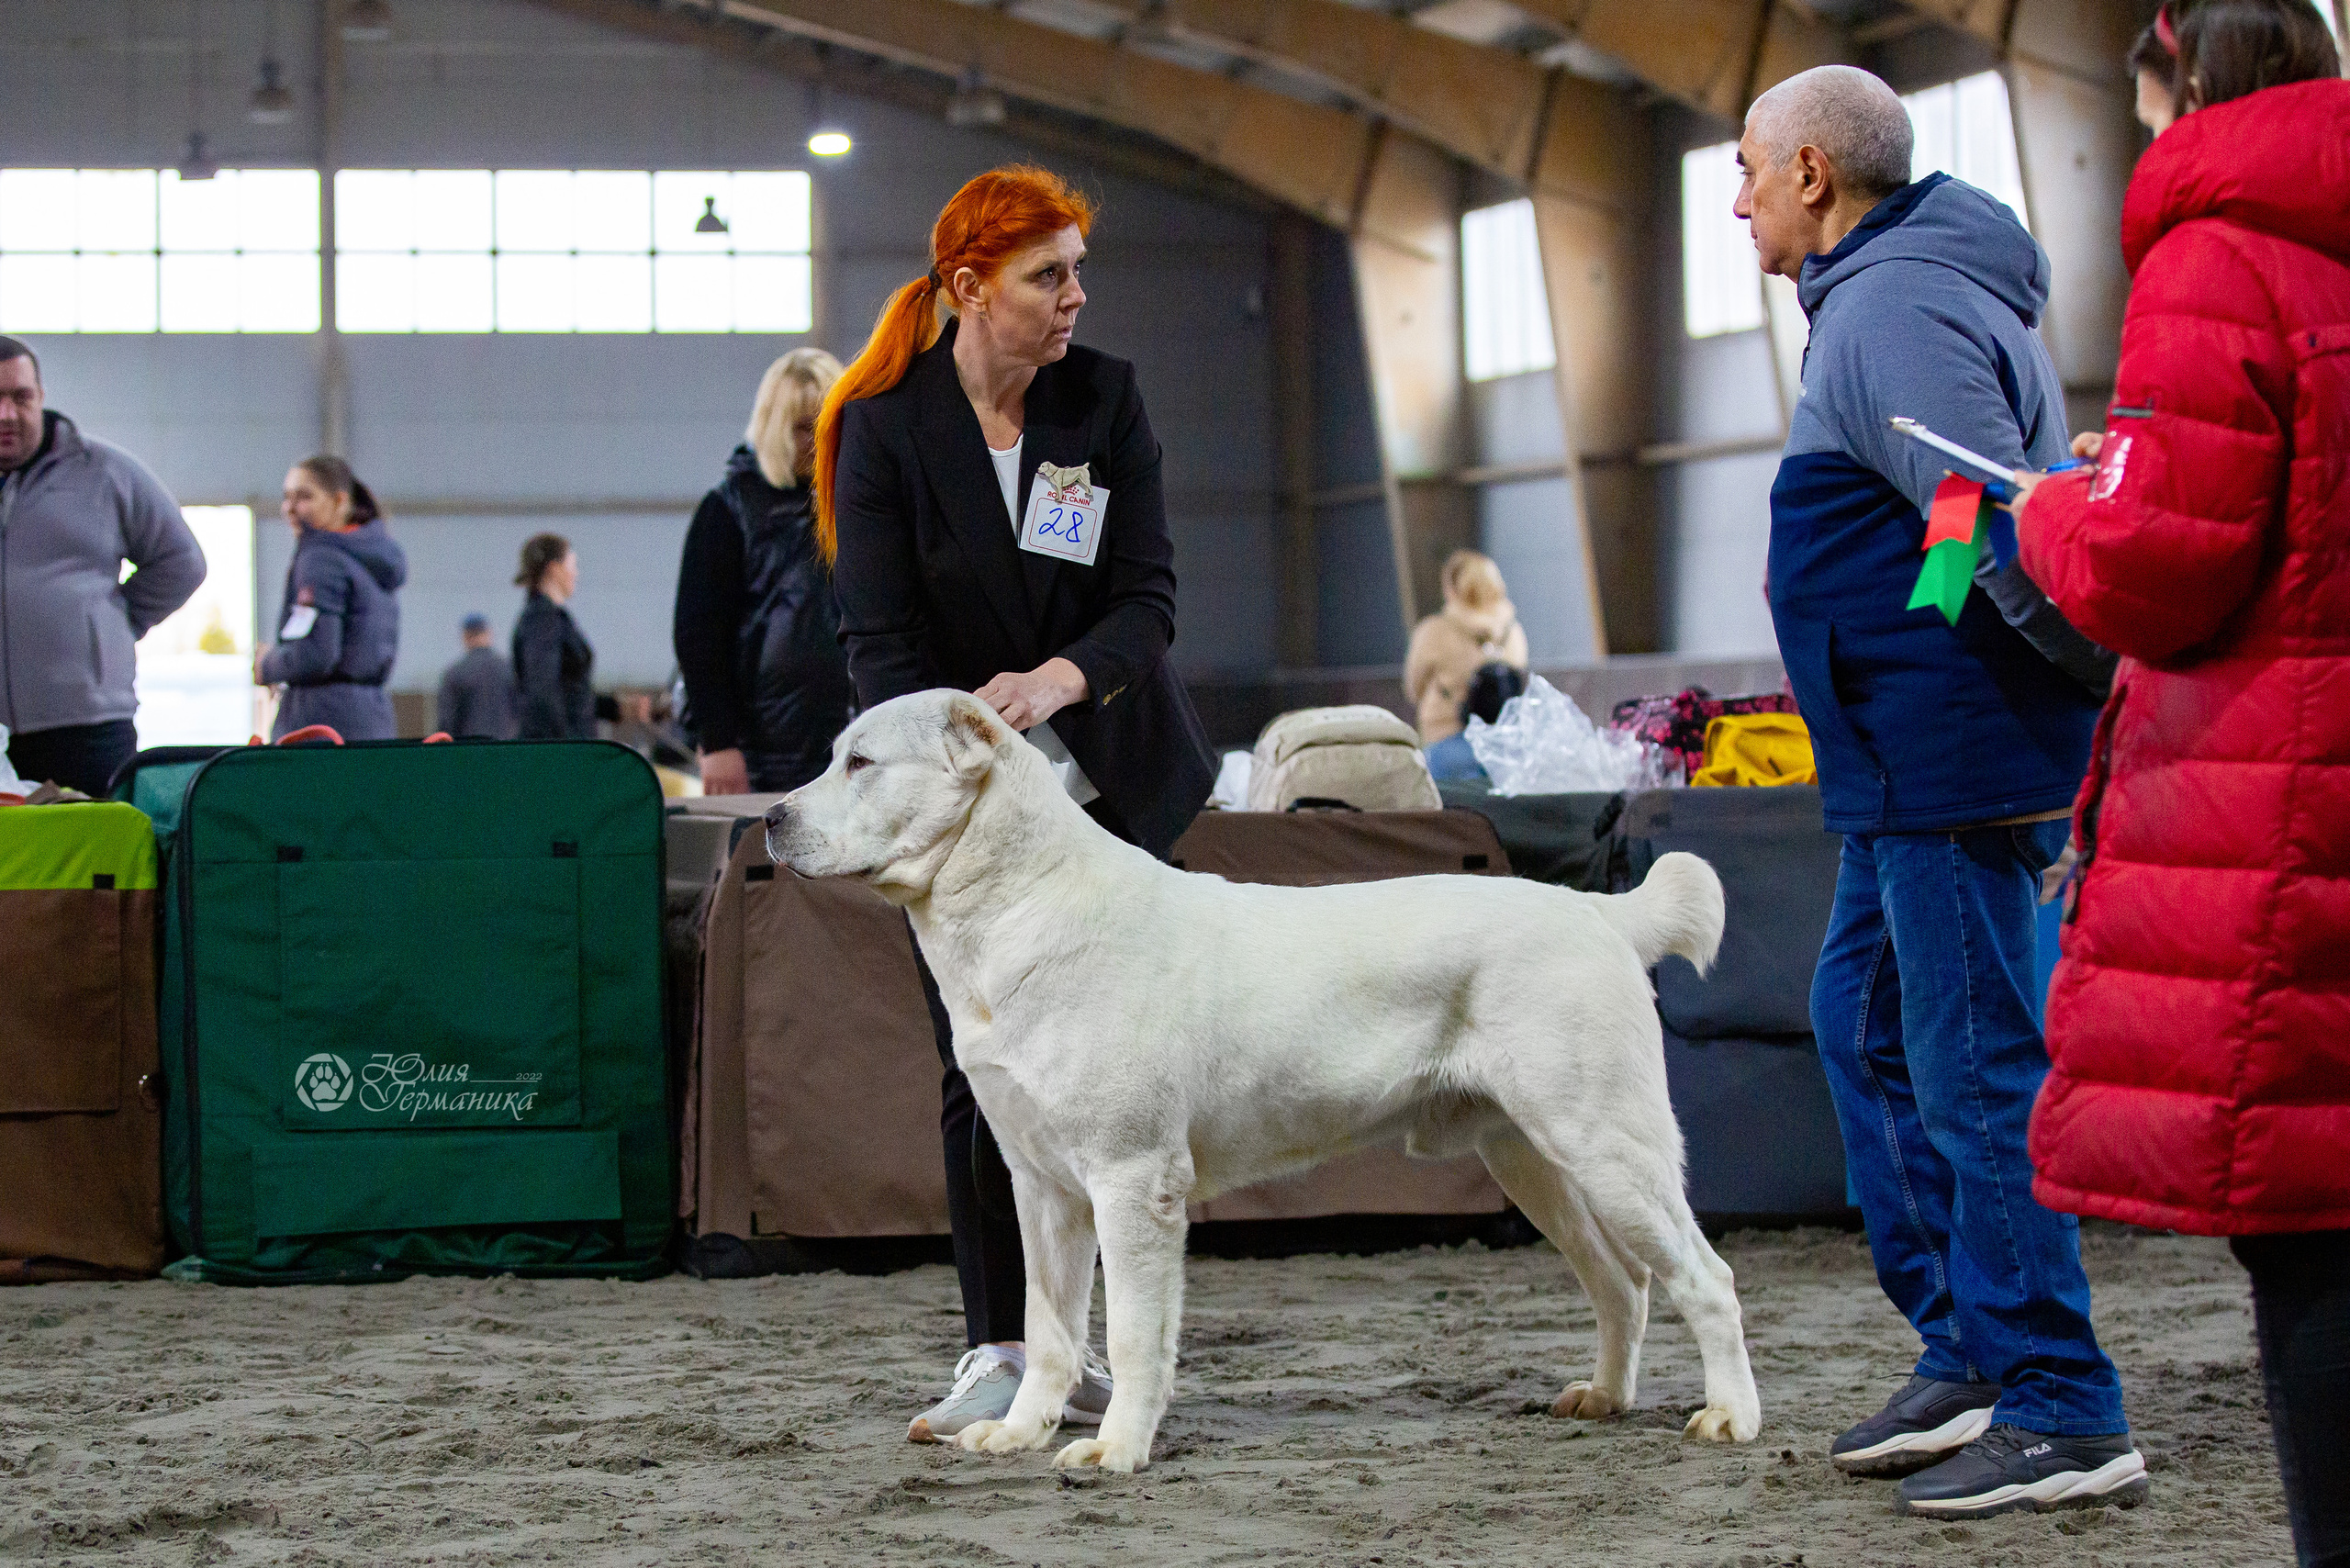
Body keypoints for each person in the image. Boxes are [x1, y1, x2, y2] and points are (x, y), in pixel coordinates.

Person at [1736, 64, 2140, 1516]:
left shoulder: (1895, 308)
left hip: (1945, 762)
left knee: (1970, 1071)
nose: (1734, 201)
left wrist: (2050, 676)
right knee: (1865, 1028)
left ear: (1810, 179)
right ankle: (1972, 1348)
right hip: (1904, 749)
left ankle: (2063, 1400)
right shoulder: (1891, 299)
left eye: (1745, 170)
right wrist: (1916, 620)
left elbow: (2013, 510)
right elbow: (1956, 511)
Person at [2009, 6, 2347, 1561]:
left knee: (2312, 1249)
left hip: (2281, 806)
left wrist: (2060, 513)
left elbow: (2163, 568)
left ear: (2184, 85)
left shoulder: (2217, 255)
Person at [816, 163, 1216, 1444]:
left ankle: (1113, 1359)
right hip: (959, 817)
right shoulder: (881, 425)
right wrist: (969, 763)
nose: (1075, 299)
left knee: (1125, 1083)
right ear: (968, 288)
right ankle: (1006, 1348)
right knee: (983, 1065)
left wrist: (1055, 679)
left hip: (1115, 785)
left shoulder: (1106, 398)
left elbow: (1146, 596)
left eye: (1079, 271)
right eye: (1050, 276)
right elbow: (879, 647)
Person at [0, 336, 205, 793]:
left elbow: (181, 561)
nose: (6, 415)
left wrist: (112, 622)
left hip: (87, 728)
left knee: (93, 858)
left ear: (41, 396)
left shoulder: (105, 472)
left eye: (20, 396)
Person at [673, 347, 855, 794]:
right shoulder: (727, 511)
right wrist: (718, 743)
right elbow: (698, 637)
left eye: (826, 424)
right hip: (757, 756)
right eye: (801, 428)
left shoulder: (860, 505)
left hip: (851, 743)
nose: (817, 440)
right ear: (775, 428)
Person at [257, 454, 405, 743]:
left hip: (321, 724)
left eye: (304, 498)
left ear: (339, 501)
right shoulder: (374, 556)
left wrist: (268, 664)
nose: (290, 509)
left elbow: (316, 654)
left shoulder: (321, 558)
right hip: (372, 720)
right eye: (287, 498)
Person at [1404, 549, 1528, 745]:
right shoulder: (1514, 631)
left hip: (1445, 739)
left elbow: (1413, 690)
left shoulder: (1434, 631)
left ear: (1451, 588)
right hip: (1503, 745)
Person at [511, 532, 596, 740]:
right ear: (554, 569)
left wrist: (615, 708)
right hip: (562, 751)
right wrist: (564, 748)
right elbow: (543, 692)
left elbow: (569, 691)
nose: (576, 573)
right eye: (573, 565)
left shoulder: (550, 618)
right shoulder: (542, 618)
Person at [435, 612, 518, 739]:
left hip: (468, 751)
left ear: (465, 636)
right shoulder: (510, 669)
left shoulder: (455, 673)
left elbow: (446, 722)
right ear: (488, 633)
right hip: (506, 749)